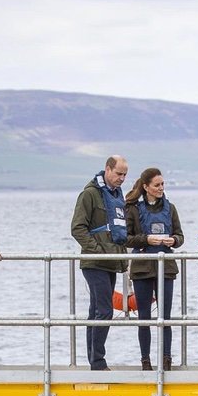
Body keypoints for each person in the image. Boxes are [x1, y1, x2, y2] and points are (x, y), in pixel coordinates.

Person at [71, 156, 129, 370]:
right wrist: (96, 250)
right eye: (118, 174)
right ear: (107, 169)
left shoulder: (117, 195)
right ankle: (98, 361)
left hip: (112, 261)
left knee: (96, 310)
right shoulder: (90, 194)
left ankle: (94, 359)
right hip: (94, 262)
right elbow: (77, 227)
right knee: (104, 310)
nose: (122, 178)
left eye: (124, 175)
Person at [124, 168, 185, 371]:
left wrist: (173, 240)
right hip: (142, 269)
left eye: (162, 184)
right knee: (144, 317)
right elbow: (125, 238)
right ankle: (145, 360)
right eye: (157, 185)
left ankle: (166, 359)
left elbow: (180, 236)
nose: (161, 188)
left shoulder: (171, 208)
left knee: (165, 317)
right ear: (146, 187)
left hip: (166, 268)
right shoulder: (132, 209)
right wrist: (146, 239)